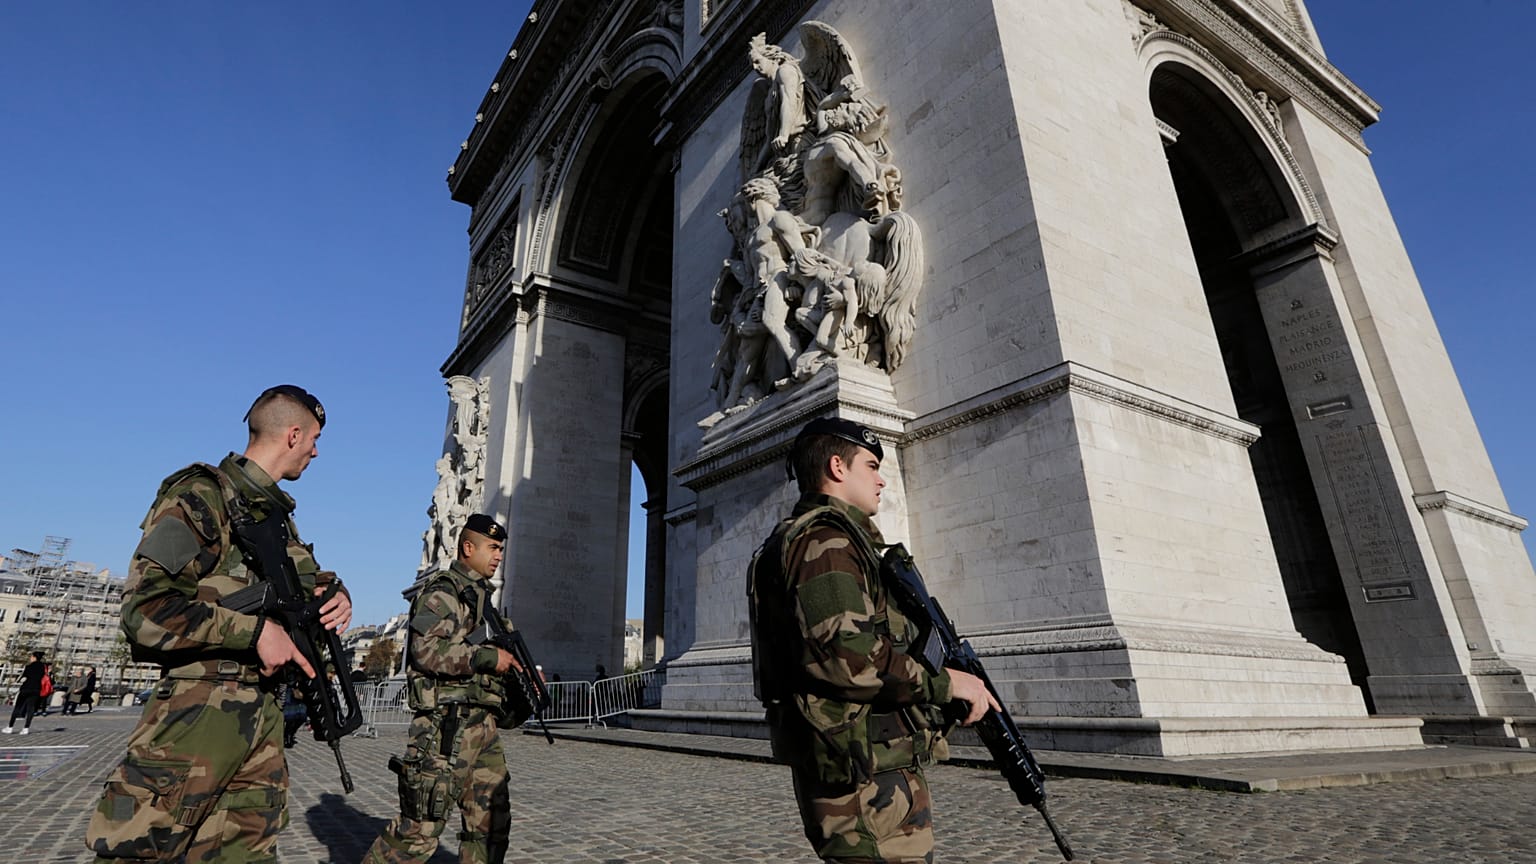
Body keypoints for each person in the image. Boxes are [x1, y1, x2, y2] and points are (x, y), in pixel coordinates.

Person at [85, 384, 352, 863]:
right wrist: (254, 632)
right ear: (293, 435)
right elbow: (143, 610)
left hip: (260, 718)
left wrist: (337, 595)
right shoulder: (201, 496)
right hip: (195, 719)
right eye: (313, 438)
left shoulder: (276, 518)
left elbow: (307, 580)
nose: (316, 451)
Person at [748, 418, 999, 863]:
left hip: (874, 770)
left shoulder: (836, 541)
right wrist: (948, 684)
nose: (882, 478)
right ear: (837, 467)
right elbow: (848, 659)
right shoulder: (824, 543)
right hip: (862, 782)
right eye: (871, 465)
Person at [364, 514, 521, 864]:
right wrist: (485, 657)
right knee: (419, 830)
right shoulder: (443, 593)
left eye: (501, 549)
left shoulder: (482, 598)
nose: (498, 556)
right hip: (444, 728)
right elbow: (425, 652)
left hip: (483, 726)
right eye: (492, 548)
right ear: (468, 547)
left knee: (491, 825)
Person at [3, 651, 48, 735]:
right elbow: (42, 676)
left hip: (26, 688)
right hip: (36, 689)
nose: (30, 658)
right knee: (31, 708)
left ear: (34, 657)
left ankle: (10, 727)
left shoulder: (29, 667)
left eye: (31, 657)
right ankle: (26, 728)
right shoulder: (43, 667)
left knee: (18, 707)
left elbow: (23, 677)